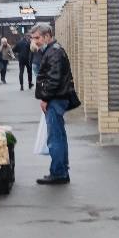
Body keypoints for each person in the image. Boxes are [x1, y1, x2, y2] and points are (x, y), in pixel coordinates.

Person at [32, 22, 76, 185]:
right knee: (59, 136)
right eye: (33, 38)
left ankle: (58, 173)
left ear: (47, 36)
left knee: (55, 138)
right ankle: (61, 170)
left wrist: (45, 98)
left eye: (37, 38)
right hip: (58, 98)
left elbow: (53, 80)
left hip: (55, 99)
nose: (35, 41)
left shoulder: (53, 52)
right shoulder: (54, 51)